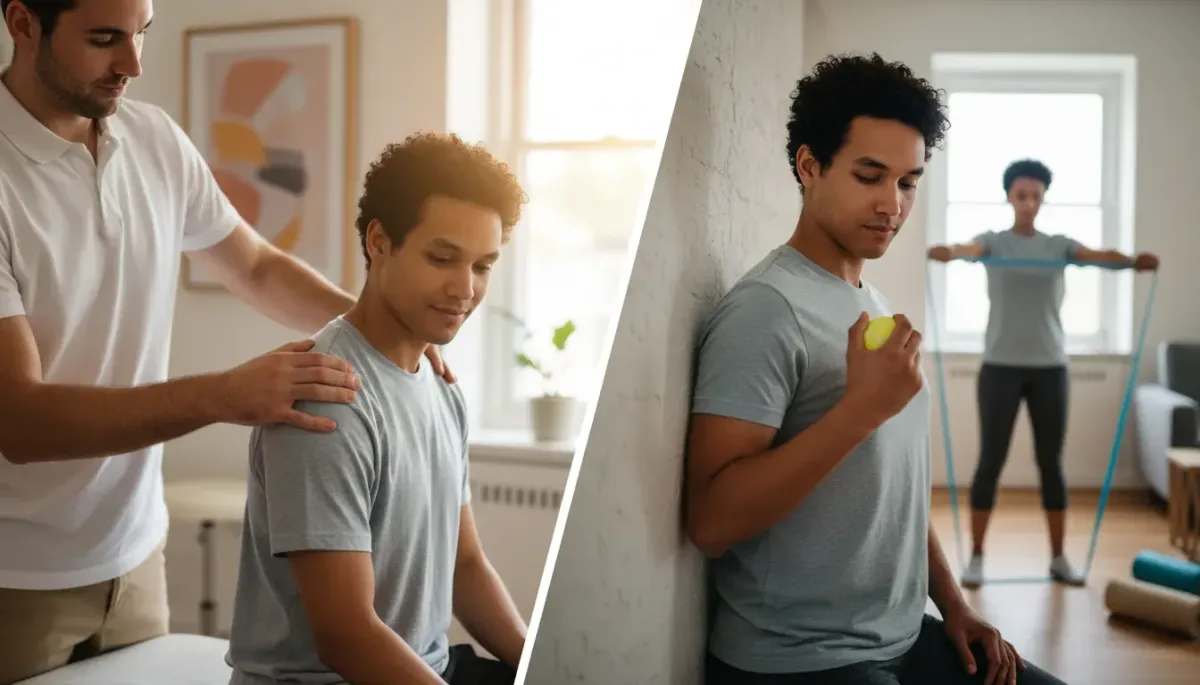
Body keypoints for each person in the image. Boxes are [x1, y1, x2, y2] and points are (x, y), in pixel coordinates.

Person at [0, 1, 452, 682]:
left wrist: (385, 326)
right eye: (104, 39)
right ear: (22, 22)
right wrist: (223, 393)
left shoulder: (152, 138)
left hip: (134, 559)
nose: (133, 64)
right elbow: (21, 421)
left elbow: (256, 267)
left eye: (141, 34)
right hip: (16, 577)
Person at [684, 53, 1069, 685]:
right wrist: (860, 412)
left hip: (907, 632)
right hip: (802, 660)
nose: (892, 204)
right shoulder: (766, 310)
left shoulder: (872, 303)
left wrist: (955, 606)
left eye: (908, 182)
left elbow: (891, 494)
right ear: (810, 166)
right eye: (870, 176)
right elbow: (711, 523)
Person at [225, 132, 529, 685]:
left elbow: (465, 566)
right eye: (442, 258)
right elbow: (347, 636)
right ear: (380, 242)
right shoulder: (326, 396)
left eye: (483, 266)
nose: (465, 288)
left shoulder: (441, 387)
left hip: (427, 667)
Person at [926, 159, 1159, 589]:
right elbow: (968, 249)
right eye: (1021, 195)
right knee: (990, 461)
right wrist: (949, 252)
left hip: (1051, 368)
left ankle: (1058, 558)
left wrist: (1131, 262)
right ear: (1009, 196)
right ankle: (976, 557)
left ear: (1043, 197)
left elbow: (1096, 257)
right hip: (999, 367)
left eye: (1036, 195)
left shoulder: (1058, 245)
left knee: (1050, 462)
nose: (1029, 202)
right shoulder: (994, 242)